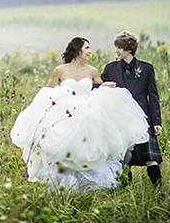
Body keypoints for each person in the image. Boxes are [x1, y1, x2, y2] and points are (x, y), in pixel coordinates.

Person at [10, 37, 150, 191]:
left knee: (88, 143)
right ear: (78, 50)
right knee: (63, 143)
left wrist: (105, 85)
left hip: (86, 109)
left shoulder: (92, 70)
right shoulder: (60, 70)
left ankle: (90, 180)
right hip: (66, 111)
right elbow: (50, 90)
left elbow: (98, 86)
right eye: (87, 48)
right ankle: (64, 181)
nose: (90, 51)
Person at [99, 31, 163, 187]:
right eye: (116, 47)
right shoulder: (110, 68)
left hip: (142, 118)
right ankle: (127, 193)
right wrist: (102, 85)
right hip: (119, 119)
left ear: (129, 49)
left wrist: (156, 122)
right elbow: (98, 87)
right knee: (123, 158)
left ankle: (160, 190)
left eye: (119, 47)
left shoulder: (146, 68)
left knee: (150, 157)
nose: (116, 51)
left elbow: (153, 96)